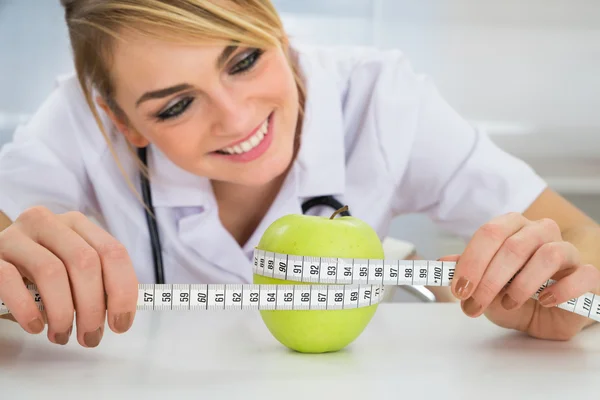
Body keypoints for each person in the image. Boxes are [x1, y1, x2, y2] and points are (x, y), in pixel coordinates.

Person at [0, 0, 598, 349]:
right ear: (123, 122)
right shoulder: (79, 121)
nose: (236, 120)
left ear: (278, 35)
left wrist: (566, 289)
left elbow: (583, 241)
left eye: (244, 59)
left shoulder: (380, 98)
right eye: (175, 105)